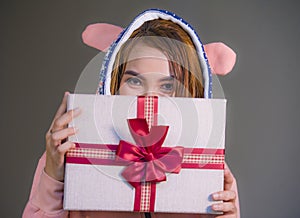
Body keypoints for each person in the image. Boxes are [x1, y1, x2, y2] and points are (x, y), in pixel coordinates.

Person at [23, 9, 240, 218]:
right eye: (135, 81)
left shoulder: (208, 167)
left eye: (167, 86)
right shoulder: (65, 156)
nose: (149, 97)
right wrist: (53, 180)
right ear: (112, 83)